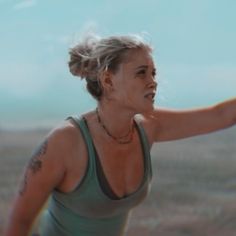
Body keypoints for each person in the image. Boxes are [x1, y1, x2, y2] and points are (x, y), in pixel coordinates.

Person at [4, 34, 236, 236]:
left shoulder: (148, 127)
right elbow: (20, 220)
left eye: (153, 73)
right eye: (141, 73)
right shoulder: (66, 142)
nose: (153, 82)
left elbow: (222, 115)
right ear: (108, 80)